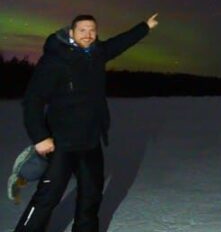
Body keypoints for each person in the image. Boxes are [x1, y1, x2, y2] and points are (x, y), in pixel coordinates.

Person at [13, 13, 159, 232]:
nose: (88, 35)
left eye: (92, 30)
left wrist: (145, 27)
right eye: (82, 30)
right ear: (71, 33)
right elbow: (33, 100)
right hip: (61, 142)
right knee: (47, 199)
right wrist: (40, 137)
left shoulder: (97, 54)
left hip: (90, 142)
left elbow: (119, 43)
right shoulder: (56, 60)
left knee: (90, 199)